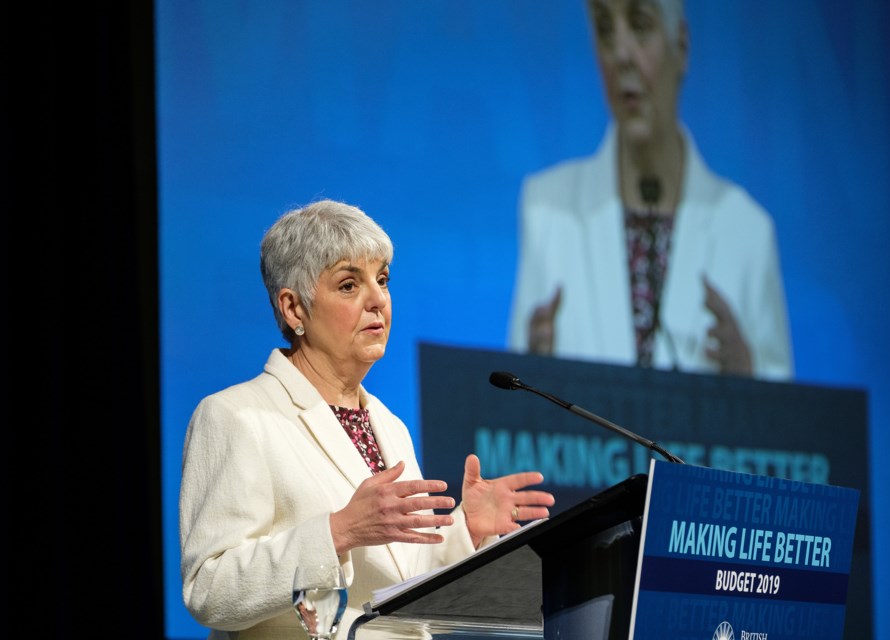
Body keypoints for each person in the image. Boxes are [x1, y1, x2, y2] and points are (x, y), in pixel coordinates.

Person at [179, 198, 556, 639]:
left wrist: (464, 532)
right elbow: (209, 588)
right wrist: (337, 532)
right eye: (348, 285)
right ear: (294, 309)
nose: (378, 299)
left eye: (382, 280)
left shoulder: (388, 424)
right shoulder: (237, 416)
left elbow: (398, 591)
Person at [508, 0, 794, 381]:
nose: (621, 54)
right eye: (605, 30)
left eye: (640, 25)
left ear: (683, 46)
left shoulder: (746, 231)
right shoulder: (547, 210)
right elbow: (511, 406)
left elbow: (790, 426)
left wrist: (748, 378)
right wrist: (532, 369)